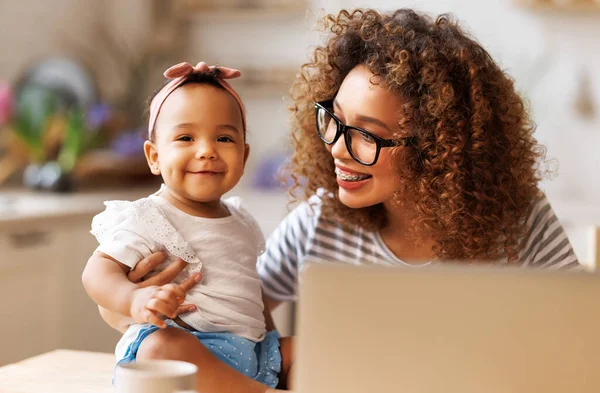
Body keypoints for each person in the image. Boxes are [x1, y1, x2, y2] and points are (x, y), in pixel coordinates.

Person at [99, 8, 580, 392]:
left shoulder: (520, 221)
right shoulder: (319, 221)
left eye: (367, 136)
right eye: (334, 120)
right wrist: (126, 302)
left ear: (437, 150)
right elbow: (233, 319)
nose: (335, 148)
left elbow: (583, 339)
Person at [82, 61, 293, 393]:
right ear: (154, 156)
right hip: (187, 352)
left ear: (244, 154)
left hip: (252, 351)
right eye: (185, 137)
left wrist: (273, 342)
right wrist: (134, 298)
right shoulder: (149, 217)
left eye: (224, 138)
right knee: (161, 347)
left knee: (306, 350)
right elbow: (96, 273)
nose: (206, 151)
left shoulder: (242, 220)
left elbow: (253, 294)